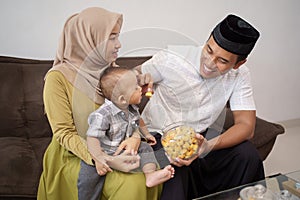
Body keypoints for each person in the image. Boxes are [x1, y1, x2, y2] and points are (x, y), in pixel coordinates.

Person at [135, 14, 265, 199]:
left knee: (247, 154)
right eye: (209, 50)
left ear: (239, 64)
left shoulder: (240, 75)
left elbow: (246, 125)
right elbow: (125, 79)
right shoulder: (172, 59)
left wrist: (207, 147)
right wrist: (137, 79)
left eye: (222, 61)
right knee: (175, 166)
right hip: (157, 138)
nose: (209, 64)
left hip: (199, 139)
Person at [37, 7, 161, 200]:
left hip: (114, 145)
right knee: (131, 183)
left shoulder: (112, 74)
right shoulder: (57, 78)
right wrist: (106, 159)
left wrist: (136, 138)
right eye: (111, 37)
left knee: (144, 176)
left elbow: (129, 115)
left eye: (117, 36)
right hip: (76, 154)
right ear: (89, 38)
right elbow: (64, 133)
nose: (119, 44)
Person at [84, 66, 175, 191]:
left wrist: (147, 134)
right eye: (135, 88)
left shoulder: (132, 108)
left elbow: (140, 121)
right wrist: (98, 158)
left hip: (125, 147)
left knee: (146, 147)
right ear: (122, 99)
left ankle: (150, 175)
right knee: (89, 177)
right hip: (109, 152)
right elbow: (92, 137)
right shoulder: (103, 115)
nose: (140, 89)